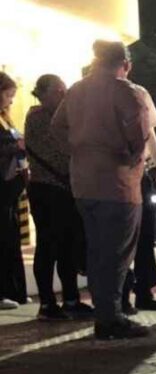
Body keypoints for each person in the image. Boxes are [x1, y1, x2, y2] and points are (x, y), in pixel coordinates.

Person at [52, 40, 151, 340]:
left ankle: (104, 313)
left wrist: (76, 151)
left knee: (96, 252)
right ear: (125, 63)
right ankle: (110, 318)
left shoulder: (77, 90)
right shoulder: (125, 91)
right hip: (118, 184)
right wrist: (130, 156)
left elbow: (57, 127)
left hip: (83, 183)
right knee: (117, 255)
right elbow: (140, 136)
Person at [25, 74, 94, 321]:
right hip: (47, 189)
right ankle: (47, 303)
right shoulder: (38, 117)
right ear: (42, 93)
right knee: (48, 246)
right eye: (57, 91)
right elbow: (60, 152)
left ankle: (72, 299)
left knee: (69, 245)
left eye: (64, 90)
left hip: (65, 190)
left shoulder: (63, 117)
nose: (63, 95)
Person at [121, 83, 156, 314]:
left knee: (145, 233)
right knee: (123, 237)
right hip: (119, 173)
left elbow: (149, 133)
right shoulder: (90, 93)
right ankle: (123, 295)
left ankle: (143, 291)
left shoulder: (139, 92)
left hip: (140, 172)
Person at [0, 72, 29, 310]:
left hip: (11, 187)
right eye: (8, 95)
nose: (10, 101)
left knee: (11, 238)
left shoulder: (6, 119)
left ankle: (15, 290)